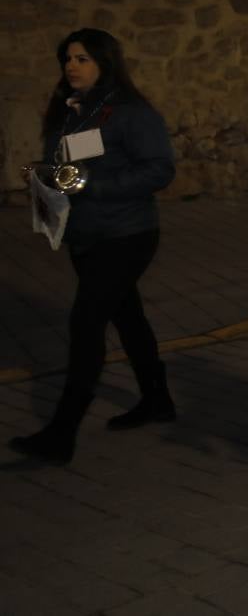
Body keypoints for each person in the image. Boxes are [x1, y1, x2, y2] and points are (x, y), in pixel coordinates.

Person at [9, 29, 176, 465]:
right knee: (129, 317)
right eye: (67, 58)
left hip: (126, 234)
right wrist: (43, 175)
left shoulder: (130, 112)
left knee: (86, 324)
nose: (72, 65)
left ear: (104, 61)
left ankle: (61, 433)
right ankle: (158, 400)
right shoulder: (70, 113)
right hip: (85, 234)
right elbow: (66, 167)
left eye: (82, 58)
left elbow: (159, 170)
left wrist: (95, 186)